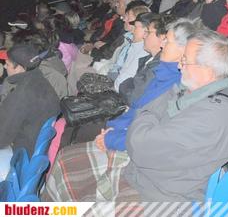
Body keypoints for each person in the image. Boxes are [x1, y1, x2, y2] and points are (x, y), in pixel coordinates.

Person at [45, 29, 228, 202]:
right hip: (146, 175)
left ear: (206, 70)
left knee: (77, 195)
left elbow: (142, 143)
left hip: (160, 195)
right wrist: (148, 115)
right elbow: (146, 121)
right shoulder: (195, 92)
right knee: (65, 159)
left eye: (185, 61)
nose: (180, 66)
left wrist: (146, 113)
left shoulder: (214, 114)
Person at [43, 19, 196, 201]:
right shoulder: (161, 71)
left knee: (69, 149)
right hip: (124, 127)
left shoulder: (174, 83)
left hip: (132, 147)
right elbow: (136, 109)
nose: (163, 44)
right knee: (67, 142)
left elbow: (148, 128)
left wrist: (110, 137)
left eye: (167, 41)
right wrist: (111, 127)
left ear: (183, 49)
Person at [0, 44, 60, 179]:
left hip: (21, 156)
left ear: (20, 67)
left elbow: (2, 138)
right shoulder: (41, 82)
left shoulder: (22, 94)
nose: (4, 67)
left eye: (7, 64)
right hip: (34, 150)